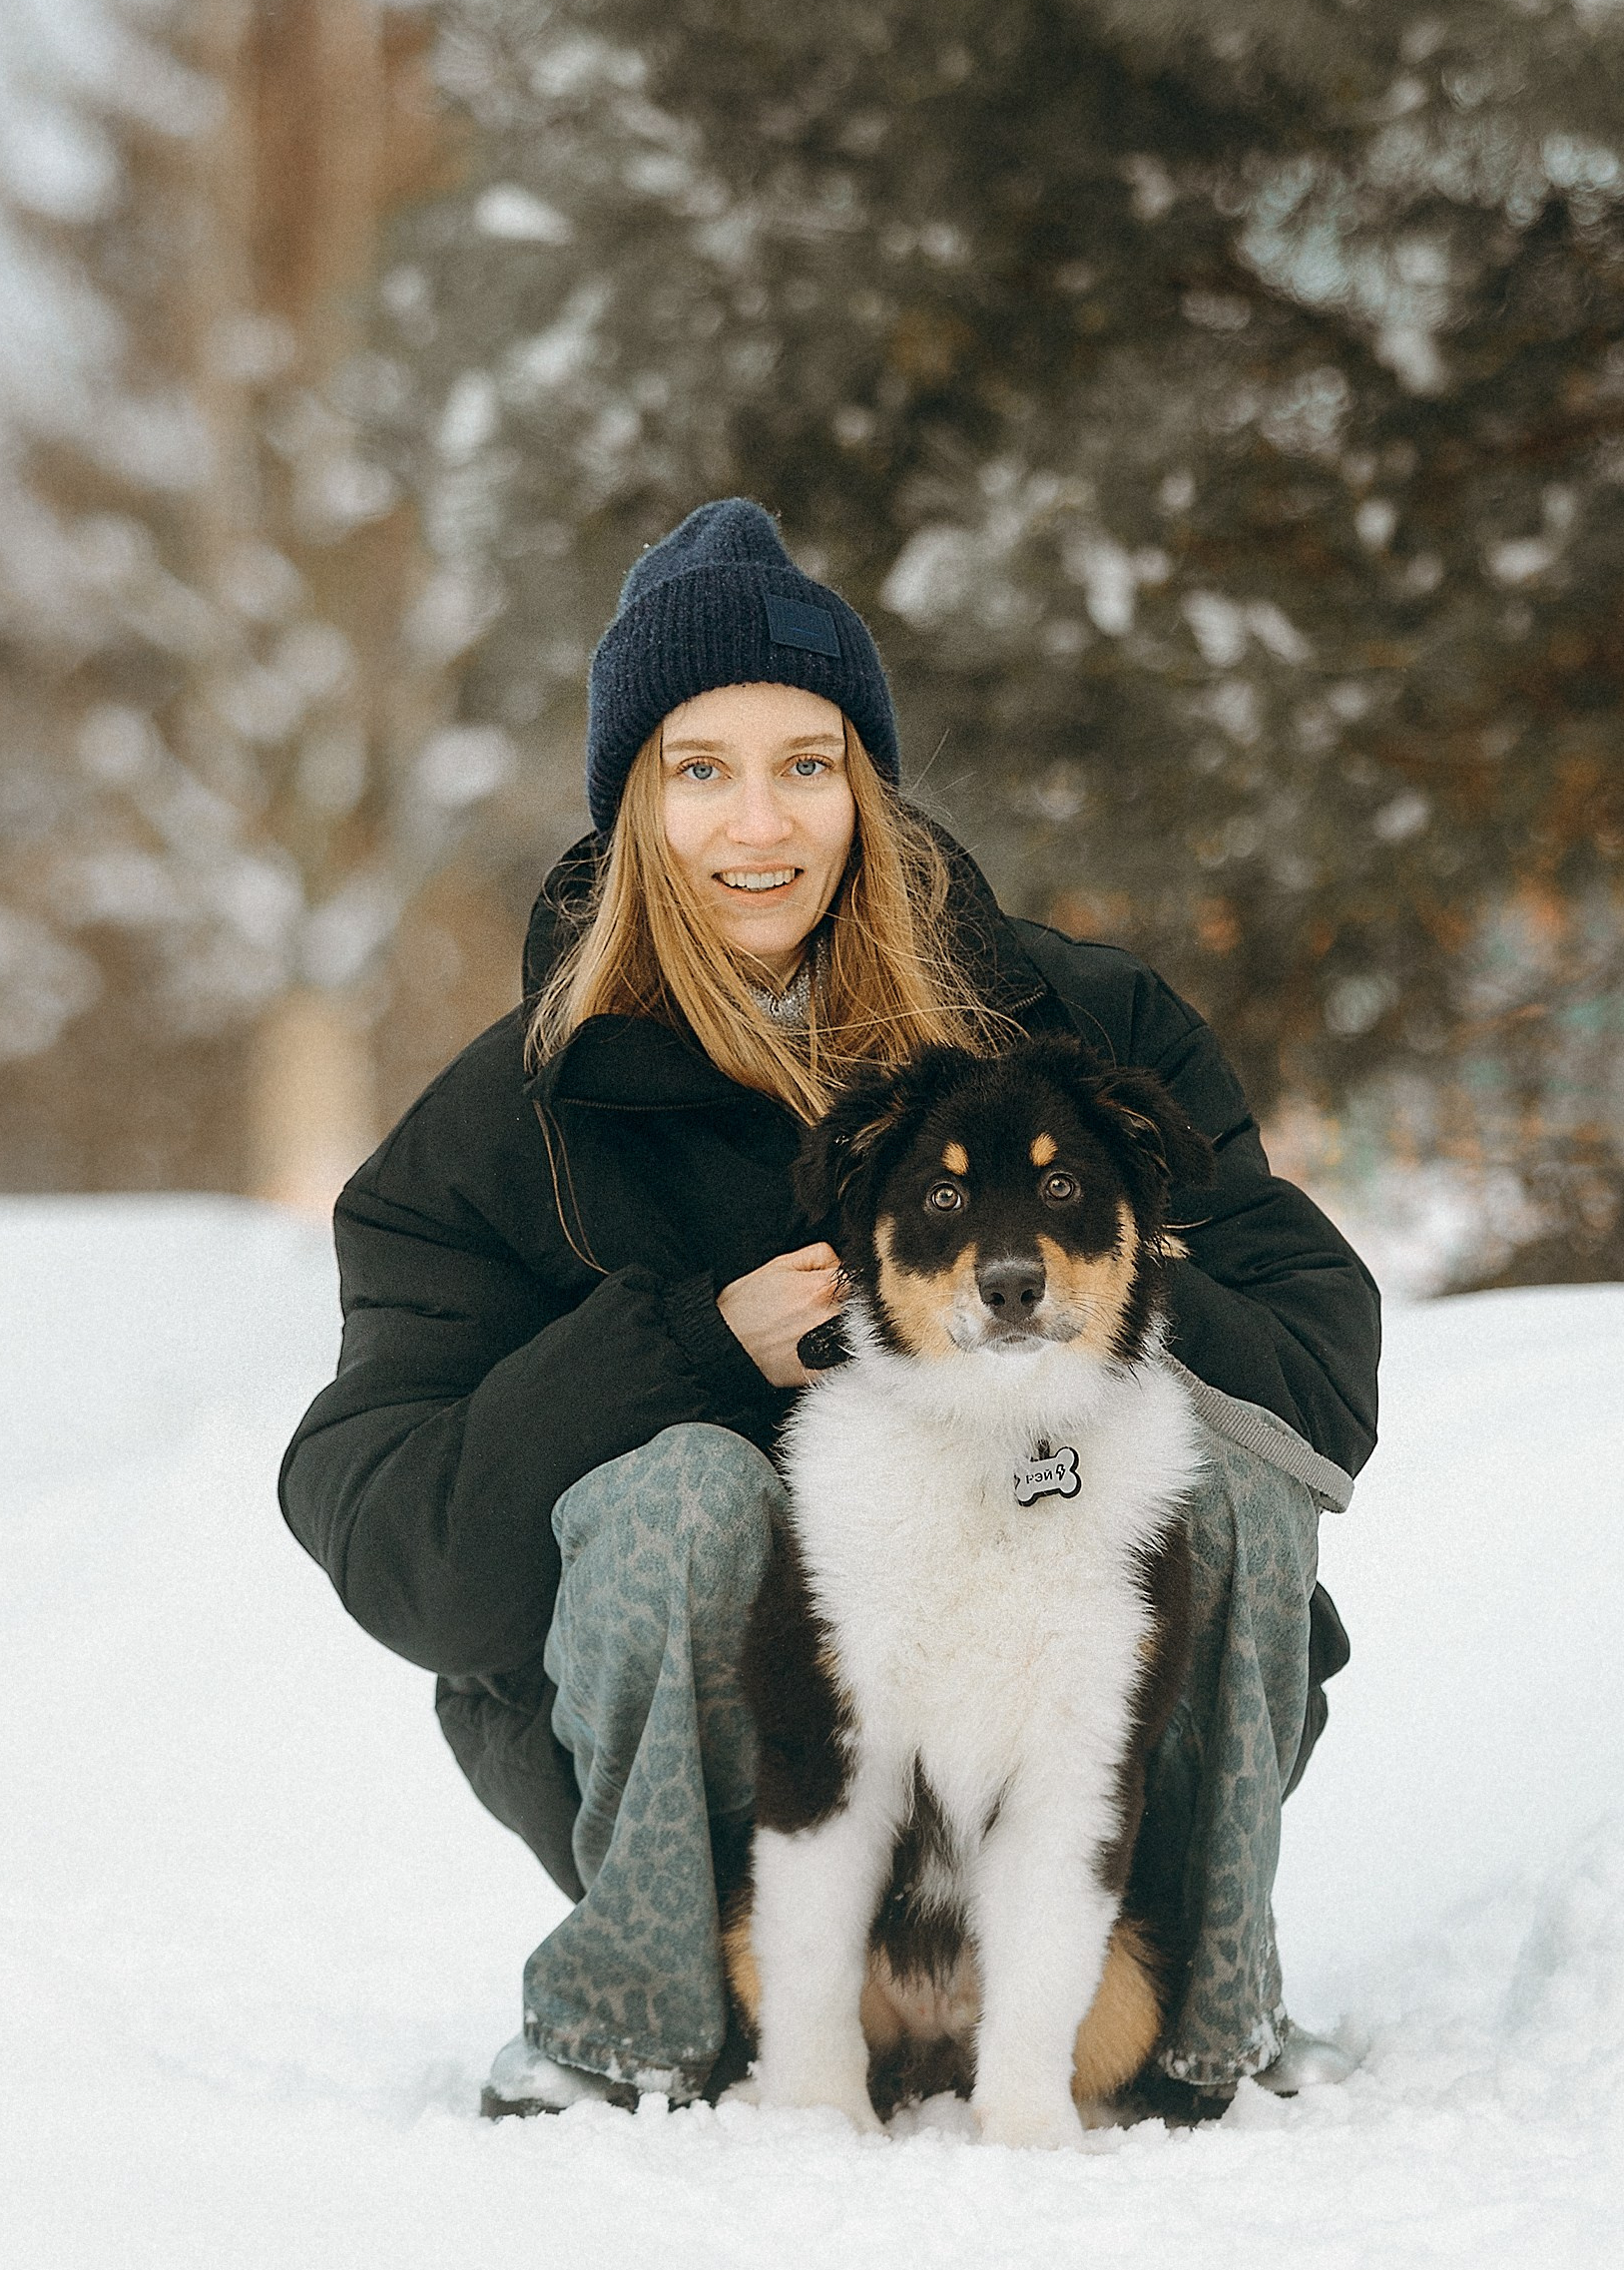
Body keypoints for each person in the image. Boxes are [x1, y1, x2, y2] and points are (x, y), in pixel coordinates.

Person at [279, 498, 1379, 2120]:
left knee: (1233, 1483)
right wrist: (683, 1351)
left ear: (865, 783)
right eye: (698, 769)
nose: (758, 825)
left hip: (1063, 1740)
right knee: (682, 1500)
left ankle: (1202, 2014)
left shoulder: (1079, 1031)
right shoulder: (511, 1123)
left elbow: (1317, 1375)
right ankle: (631, 2018)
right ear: (633, 803)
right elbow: (403, 1548)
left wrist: (1097, 1298)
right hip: (744, 1788)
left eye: (806, 764)